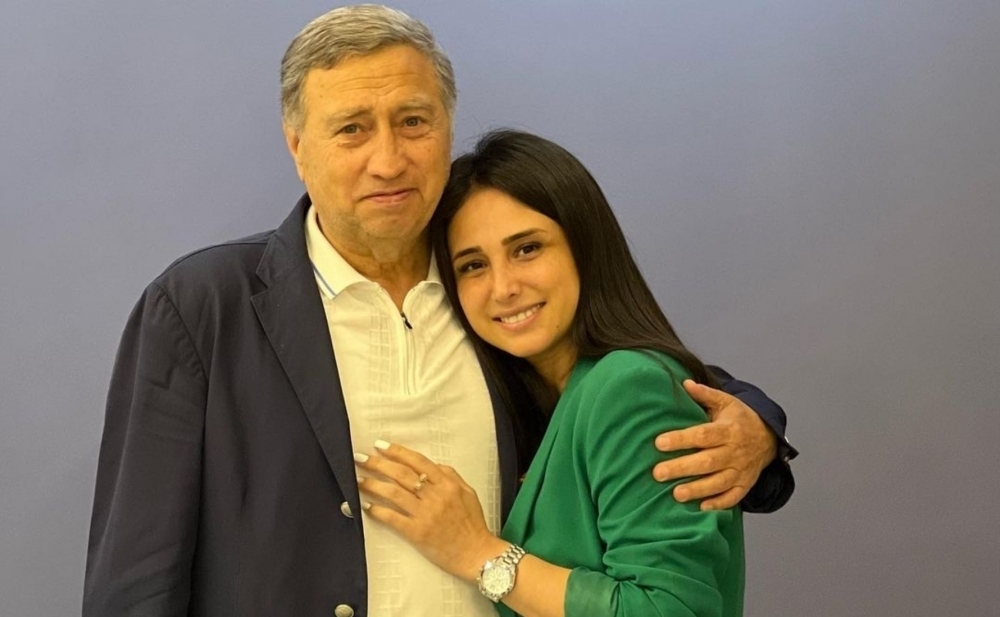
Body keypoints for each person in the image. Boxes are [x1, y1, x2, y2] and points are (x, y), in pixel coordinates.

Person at [83, 5, 795, 616]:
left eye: (413, 121)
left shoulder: (487, 294)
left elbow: (625, 383)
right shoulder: (203, 308)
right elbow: (138, 573)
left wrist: (757, 425)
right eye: (352, 129)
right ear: (297, 147)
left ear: (447, 129)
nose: (389, 159)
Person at [354, 129, 749, 617]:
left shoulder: (629, 387)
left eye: (527, 249)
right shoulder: (547, 399)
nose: (503, 287)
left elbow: (666, 609)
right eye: (473, 265)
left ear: (585, 245)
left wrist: (477, 552)